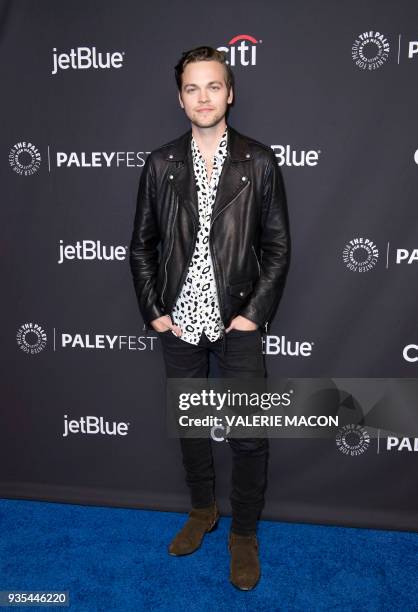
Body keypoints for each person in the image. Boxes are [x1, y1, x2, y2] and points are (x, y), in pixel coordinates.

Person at [129, 45, 290, 590]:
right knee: (191, 428)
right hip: (178, 324)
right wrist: (155, 312)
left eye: (213, 86)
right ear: (180, 98)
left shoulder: (259, 161)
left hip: (237, 323)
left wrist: (252, 315)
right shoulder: (160, 164)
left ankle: (243, 533)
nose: (203, 97)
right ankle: (203, 511)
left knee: (248, 436)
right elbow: (141, 246)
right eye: (193, 88)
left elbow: (278, 248)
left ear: (230, 93)